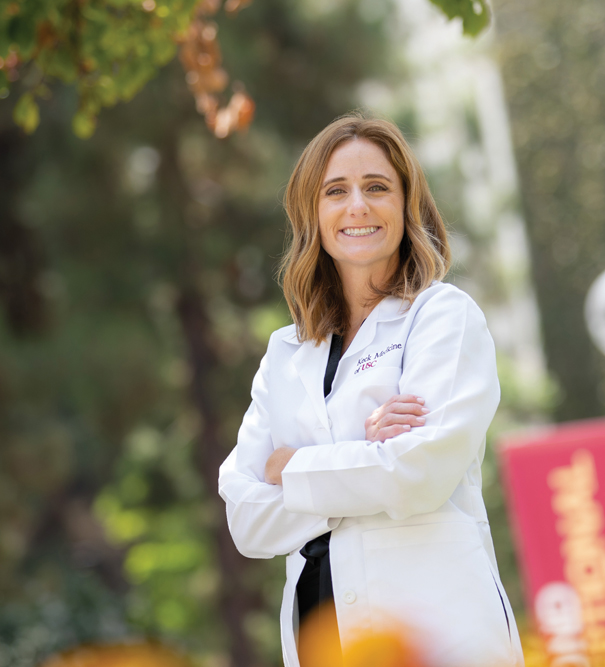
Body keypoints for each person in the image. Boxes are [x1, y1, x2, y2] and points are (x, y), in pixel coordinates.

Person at [218, 113, 524, 667]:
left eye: (377, 187)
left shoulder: (442, 317)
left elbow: (418, 475)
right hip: (322, 641)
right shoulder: (286, 353)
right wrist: (365, 454)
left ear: (407, 206)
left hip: (438, 638)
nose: (357, 205)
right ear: (313, 213)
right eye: (336, 191)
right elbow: (246, 521)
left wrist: (288, 467)